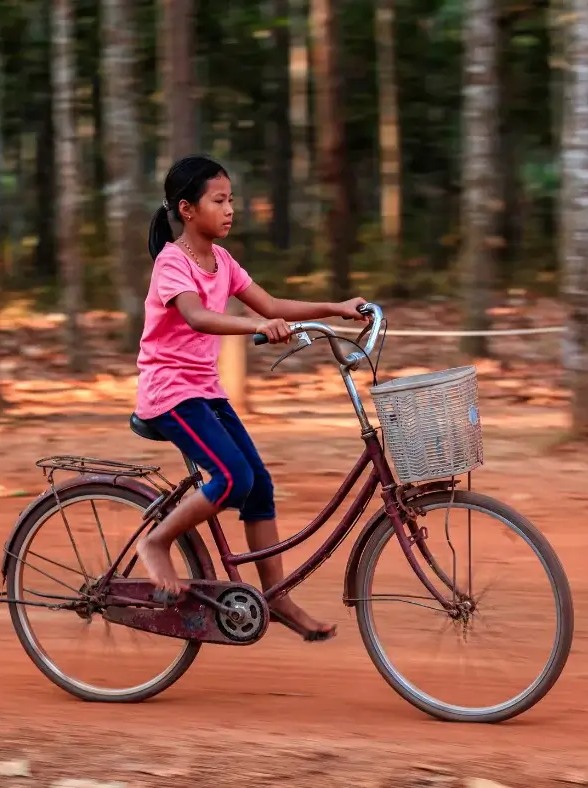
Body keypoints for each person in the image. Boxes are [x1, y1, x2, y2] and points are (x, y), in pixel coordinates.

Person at [133, 154, 366, 643]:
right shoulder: (172, 263)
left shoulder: (223, 262)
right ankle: (156, 542)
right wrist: (257, 326)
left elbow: (273, 304)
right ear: (188, 209)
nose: (230, 209)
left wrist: (335, 309)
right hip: (170, 392)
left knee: (258, 484)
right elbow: (197, 317)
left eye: (231, 199)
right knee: (231, 477)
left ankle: (276, 596)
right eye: (219, 200)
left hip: (204, 390)